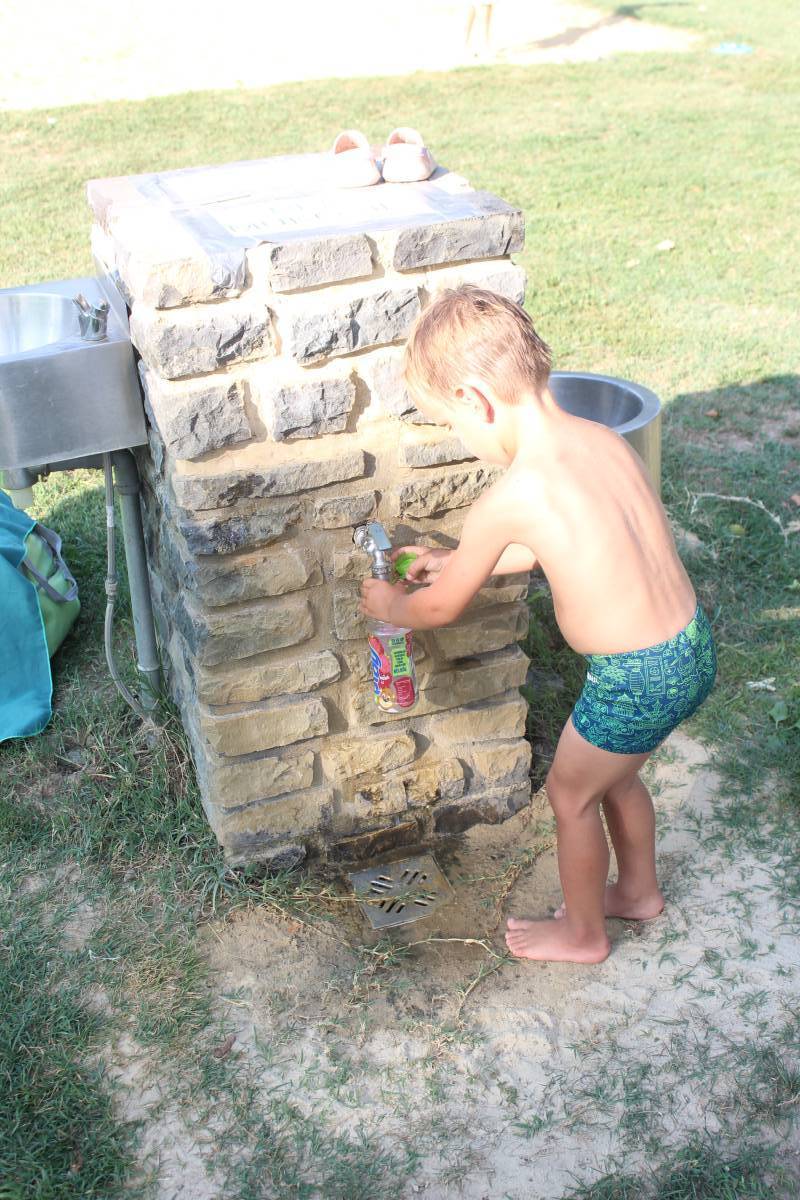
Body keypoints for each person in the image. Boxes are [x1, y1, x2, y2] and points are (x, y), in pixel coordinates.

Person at [359, 286, 717, 965]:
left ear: (475, 401)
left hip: (635, 677)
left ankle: (583, 935)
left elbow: (436, 610)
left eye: (454, 425)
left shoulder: (514, 494)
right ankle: (637, 891)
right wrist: (458, 560)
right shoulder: (602, 440)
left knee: (570, 795)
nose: (465, 441)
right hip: (688, 647)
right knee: (616, 778)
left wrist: (388, 605)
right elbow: (569, 542)